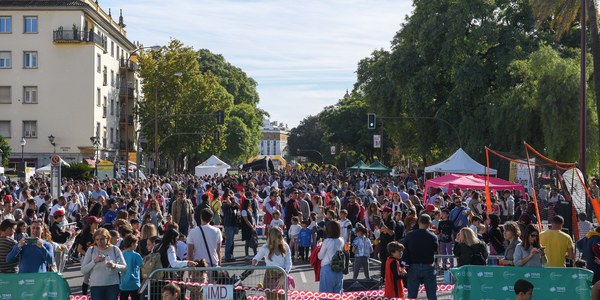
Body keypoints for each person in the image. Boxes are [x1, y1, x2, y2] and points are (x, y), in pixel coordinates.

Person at [81, 228, 127, 300]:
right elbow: (83, 270)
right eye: (97, 239)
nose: (99, 241)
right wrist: (94, 261)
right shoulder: (91, 250)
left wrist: (114, 265)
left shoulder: (115, 249)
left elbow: (125, 267)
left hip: (112, 284)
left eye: (102, 239)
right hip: (96, 285)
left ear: (107, 238)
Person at [402, 214, 438, 300]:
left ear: (418, 222)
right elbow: (435, 249)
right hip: (428, 266)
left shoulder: (410, 235)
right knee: (432, 295)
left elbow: (403, 247)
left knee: (412, 296)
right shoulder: (433, 236)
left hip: (413, 266)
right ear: (429, 223)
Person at [252, 227, 292, 300]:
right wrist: (254, 261)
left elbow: (289, 263)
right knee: (271, 298)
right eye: (279, 237)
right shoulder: (265, 248)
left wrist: (284, 276)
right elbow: (256, 258)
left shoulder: (285, 246)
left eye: (283, 236)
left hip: (282, 275)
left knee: (283, 298)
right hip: (269, 276)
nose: (282, 238)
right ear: (273, 237)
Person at [318, 220, 344, 294]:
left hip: (327, 268)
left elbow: (320, 256)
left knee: (325, 295)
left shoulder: (327, 241)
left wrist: (319, 245)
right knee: (337, 294)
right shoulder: (341, 240)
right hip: (339, 269)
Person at [120, 234, 143, 300]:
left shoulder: (122, 254)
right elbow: (142, 265)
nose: (137, 245)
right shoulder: (136, 255)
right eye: (136, 243)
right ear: (132, 244)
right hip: (134, 283)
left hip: (124, 283)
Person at [221, 196, 239, 262]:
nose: (234, 202)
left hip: (233, 226)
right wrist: (228, 201)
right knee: (229, 241)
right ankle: (227, 256)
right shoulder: (226, 207)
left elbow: (239, 208)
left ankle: (231, 255)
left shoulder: (234, 207)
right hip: (228, 226)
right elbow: (223, 208)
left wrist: (236, 204)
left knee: (232, 242)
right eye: (233, 201)